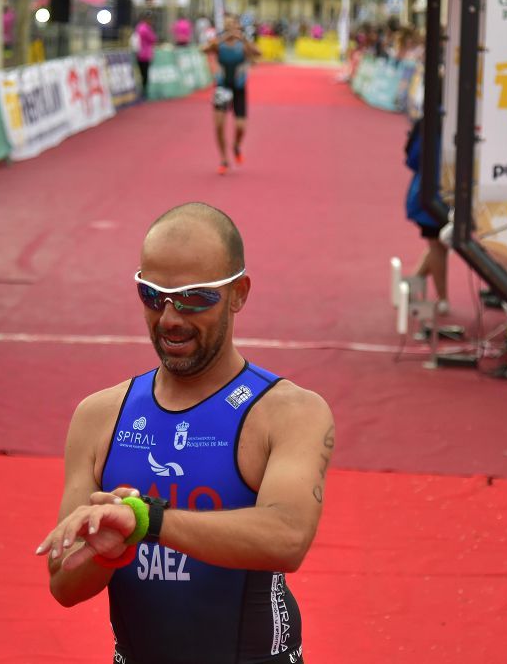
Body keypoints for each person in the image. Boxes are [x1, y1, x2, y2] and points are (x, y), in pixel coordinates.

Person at [36, 203, 335, 664]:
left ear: (238, 294)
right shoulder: (99, 416)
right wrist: (103, 553)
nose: (171, 318)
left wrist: (146, 521)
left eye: (195, 298)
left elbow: (287, 537)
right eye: (153, 296)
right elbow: (63, 584)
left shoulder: (288, 412)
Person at [203, 15, 262, 175]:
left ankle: (236, 145)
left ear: (238, 26)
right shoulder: (219, 43)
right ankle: (223, 159)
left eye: (233, 25)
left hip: (238, 88)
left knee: (240, 127)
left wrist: (243, 40)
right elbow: (203, 50)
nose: (230, 28)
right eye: (227, 25)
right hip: (222, 87)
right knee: (219, 125)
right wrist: (219, 40)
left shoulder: (242, 44)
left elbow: (258, 53)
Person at [404, 119, 449, 314]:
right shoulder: (439, 122)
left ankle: (410, 287)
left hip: (434, 194)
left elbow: (412, 159)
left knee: (439, 245)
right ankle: (441, 298)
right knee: (438, 245)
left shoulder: (427, 123)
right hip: (435, 196)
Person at [134, 12, 158, 92]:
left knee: (142, 74)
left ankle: (143, 90)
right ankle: (144, 91)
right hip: (144, 54)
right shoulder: (145, 28)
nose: (151, 21)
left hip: (140, 53)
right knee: (144, 74)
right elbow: (153, 39)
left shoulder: (139, 27)